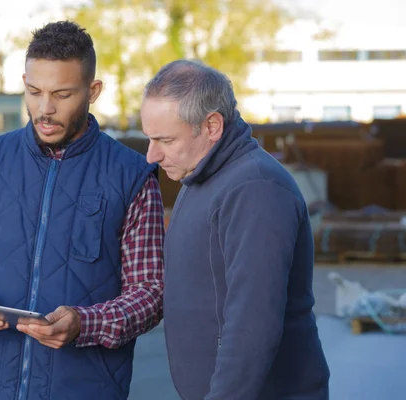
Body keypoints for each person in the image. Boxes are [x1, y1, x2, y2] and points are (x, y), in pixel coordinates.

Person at [0, 21, 165, 400]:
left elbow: (151, 293)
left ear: (93, 91)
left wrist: (87, 323)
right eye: (34, 92)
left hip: (84, 389)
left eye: (62, 94)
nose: (45, 108)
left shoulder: (132, 175)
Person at [140, 60, 330, 400]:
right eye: (149, 139)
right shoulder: (198, 180)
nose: (152, 155)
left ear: (212, 125)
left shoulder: (255, 189)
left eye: (165, 140)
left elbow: (252, 325)